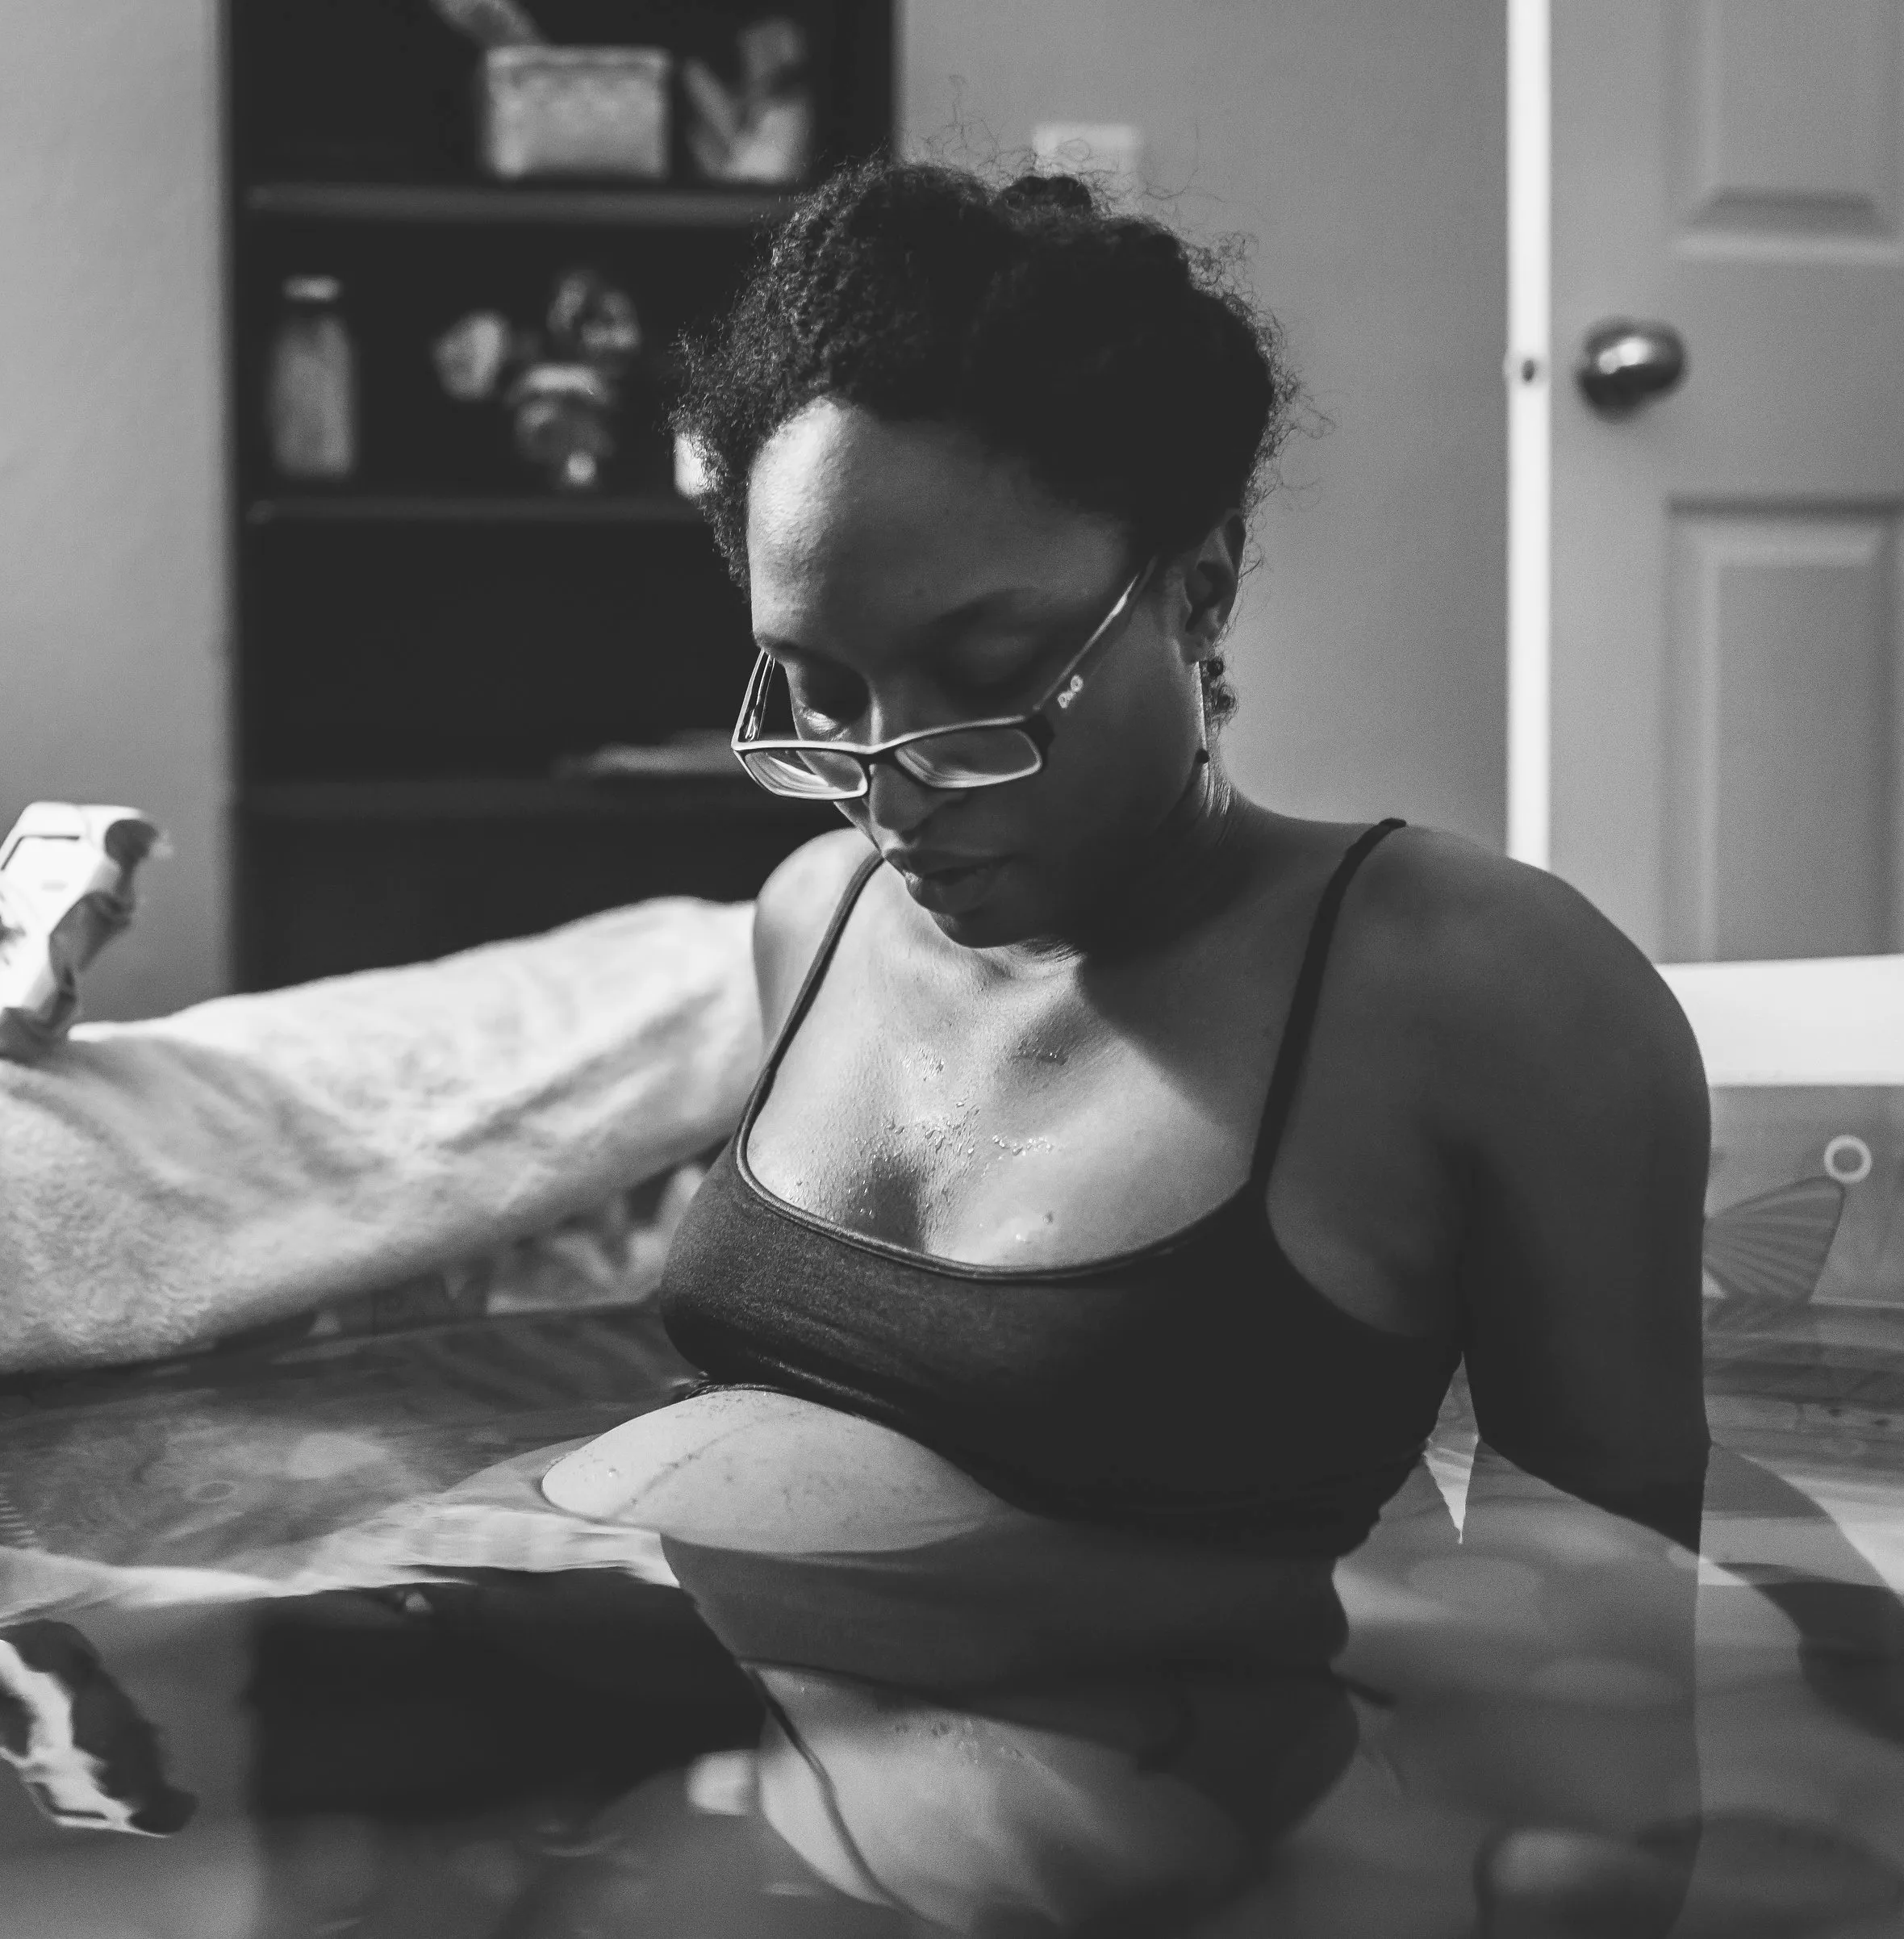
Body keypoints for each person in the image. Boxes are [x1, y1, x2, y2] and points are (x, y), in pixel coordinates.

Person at [535, 159, 1717, 1932]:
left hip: (1124, 1871)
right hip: (731, 1784)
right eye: (821, 689)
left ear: (1200, 586)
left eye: (986, 666)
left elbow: (1602, 1681)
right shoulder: (818, 911)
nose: (893, 779)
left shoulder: (1478, 995)